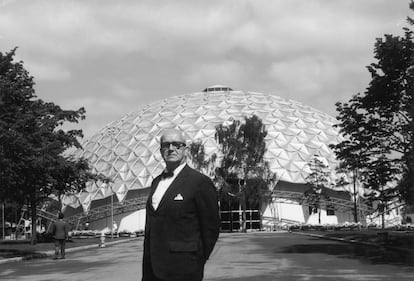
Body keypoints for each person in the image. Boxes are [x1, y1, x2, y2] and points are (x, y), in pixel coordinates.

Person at [142, 129, 220, 281]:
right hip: (152, 269)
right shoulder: (156, 182)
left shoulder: (199, 182)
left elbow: (211, 227)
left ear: (185, 149)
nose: (171, 149)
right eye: (166, 145)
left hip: (184, 269)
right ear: (160, 150)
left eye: (177, 145)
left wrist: (197, 260)